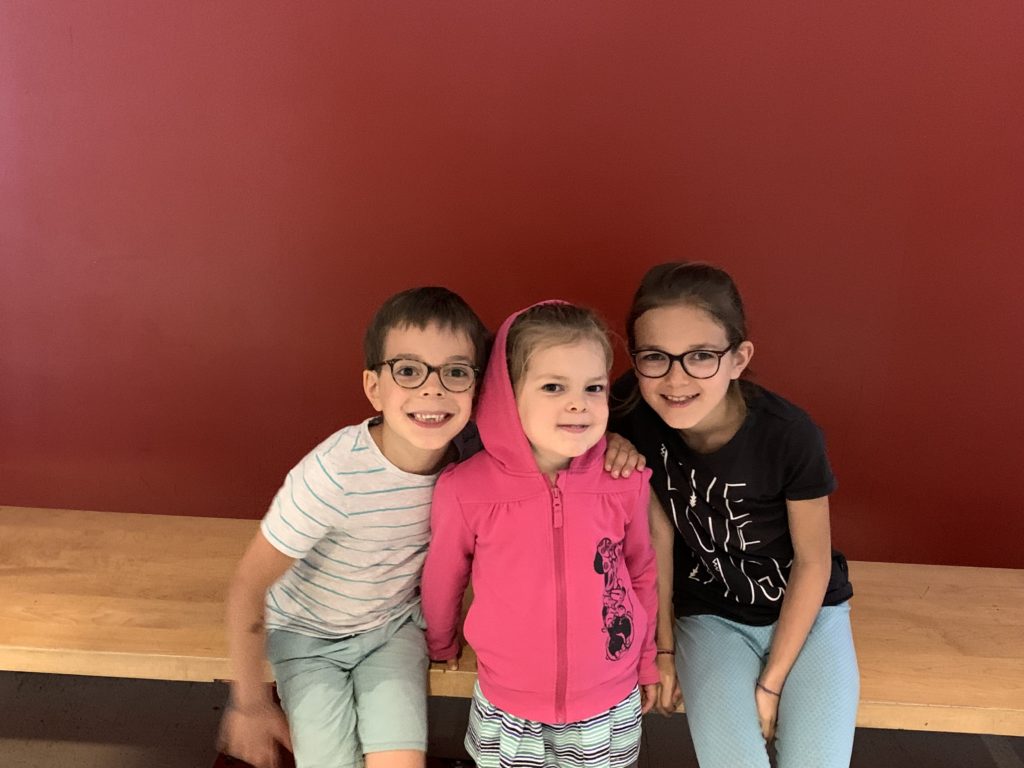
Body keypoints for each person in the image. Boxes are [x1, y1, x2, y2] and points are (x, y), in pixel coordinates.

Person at [218, 286, 489, 768]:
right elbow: (248, 584)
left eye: (455, 372)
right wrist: (251, 703)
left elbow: (552, 421)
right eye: (409, 370)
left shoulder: (471, 454)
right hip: (307, 636)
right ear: (374, 387)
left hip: (392, 629)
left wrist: (615, 444)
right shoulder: (333, 474)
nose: (433, 389)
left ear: (477, 387)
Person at [610, 262, 859, 768]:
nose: (676, 379)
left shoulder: (789, 435)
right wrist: (662, 650)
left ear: (738, 358)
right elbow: (656, 534)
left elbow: (812, 561)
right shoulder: (629, 410)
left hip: (810, 613)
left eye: (701, 356)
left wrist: (772, 684)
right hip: (711, 617)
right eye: (655, 357)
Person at [422, 301, 660, 768]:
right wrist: (441, 644)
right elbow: (443, 576)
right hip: (509, 705)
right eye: (553, 386)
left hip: (608, 699)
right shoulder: (464, 488)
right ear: (506, 395)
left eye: (593, 387)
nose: (578, 403)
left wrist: (646, 659)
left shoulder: (625, 481)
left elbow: (641, 573)